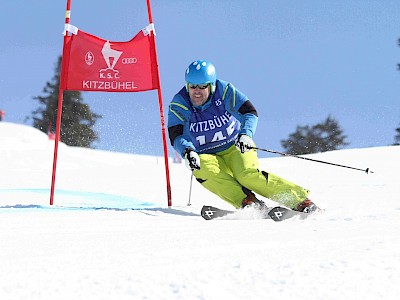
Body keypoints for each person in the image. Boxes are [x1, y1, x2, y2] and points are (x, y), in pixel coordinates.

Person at [167, 60, 319, 213]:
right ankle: (248, 202)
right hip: (207, 154)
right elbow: (177, 134)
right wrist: (188, 151)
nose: (197, 91)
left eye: (202, 86)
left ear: (212, 86)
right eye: (192, 86)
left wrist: (246, 135)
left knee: (246, 175)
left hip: (235, 146)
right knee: (200, 168)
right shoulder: (180, 103)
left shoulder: (224, 91)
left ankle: (300, 201)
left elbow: (249, 112)